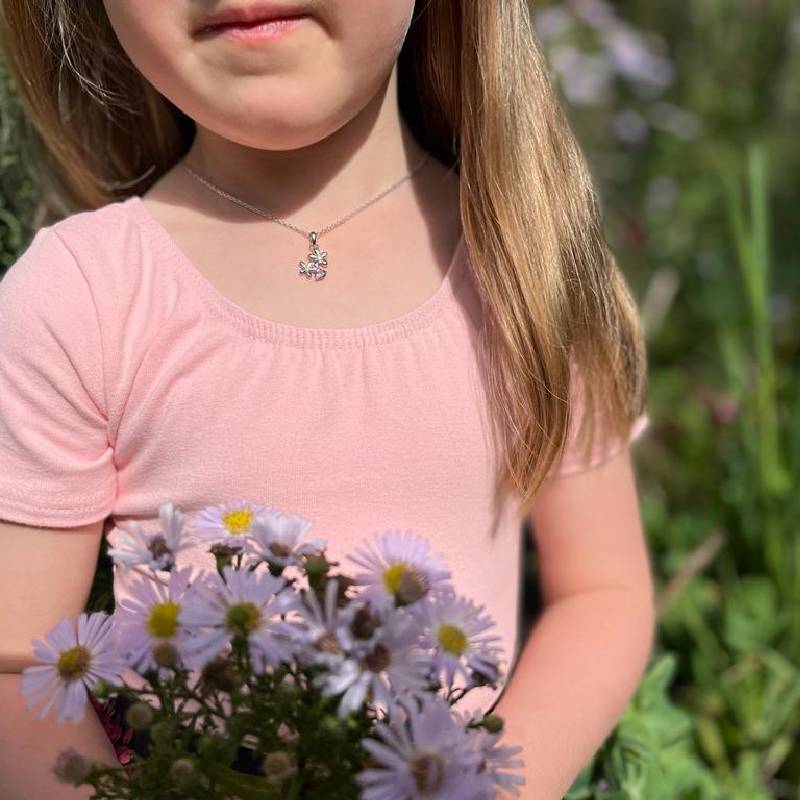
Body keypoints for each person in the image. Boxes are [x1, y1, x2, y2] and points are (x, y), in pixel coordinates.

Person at [0, 1, 655, 797]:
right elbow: (17, 663)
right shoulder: (82, 296)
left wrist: (481, 786)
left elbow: (602, 590)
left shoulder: (527, 264)